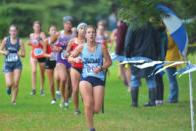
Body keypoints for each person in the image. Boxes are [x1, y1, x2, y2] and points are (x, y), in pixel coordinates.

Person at [69, 26, 112, 131]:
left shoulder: (102, 47)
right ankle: (91, 128)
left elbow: (109, 62)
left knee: (96, 109)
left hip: (99, 79)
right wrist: (75, 60)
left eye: (93, 32)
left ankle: (88, 110)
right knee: (88, 104)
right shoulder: (81, 47)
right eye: (89, 32)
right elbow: (70, 57)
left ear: (95, 34)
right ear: (85, 35)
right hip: (85, 78)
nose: (91, 34)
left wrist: (101, 67)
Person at [125, 22, 161, 107]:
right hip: (150, 55)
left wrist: (127, 56)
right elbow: (158, 42)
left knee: (135, 79)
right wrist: (157, 55)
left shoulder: (133, 26)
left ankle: (134, 103)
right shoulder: (152, 26)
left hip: (136, 56)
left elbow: (128, 43)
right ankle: (152, 102)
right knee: (151, 79)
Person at [52, 16, 75, 108]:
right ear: (63, 24)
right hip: (61, 59)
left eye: (70, 24)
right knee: (63, 79)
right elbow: (51, 43)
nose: (68, 25)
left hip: (71, 59)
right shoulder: (59, 34)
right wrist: (55, 48)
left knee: (70, 83)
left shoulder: (74, 34)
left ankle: (67, 98)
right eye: (66, 24)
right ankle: (62, 98)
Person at [0, 25, 25, 105]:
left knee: (16, 82)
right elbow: (0, 50)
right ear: (9, 32)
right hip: (7, 64)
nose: (13, 32)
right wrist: (4, 52)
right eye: (12, 31)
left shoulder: (20, 41)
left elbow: (24, 54)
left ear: (16, 32)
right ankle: (8, 87)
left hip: (17, 64)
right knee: (9, 83)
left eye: (14, 31)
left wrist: (19, 54)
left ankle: (13, 100)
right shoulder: (5, 40)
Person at [67, 23, 87, 115]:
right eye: (81, 28)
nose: (83, 30)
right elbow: (66, 53)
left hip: (86, 68)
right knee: (75, 89)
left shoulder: (88, 42)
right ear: (78, 30)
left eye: (85, 28)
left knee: (85, 90)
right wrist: (72, 55)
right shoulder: (72, 41)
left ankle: (87, 107)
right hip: (75, 67)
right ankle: (76, 109)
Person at [28, 21, 46, 96]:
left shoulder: (42, 34)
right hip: (33, 55)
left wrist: (40, 40)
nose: (37, 28)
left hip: (41, 55)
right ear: (33, 27)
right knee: (34, 71)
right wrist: (30, 42)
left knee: (42, 73)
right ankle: (33, 89)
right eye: (35, 26)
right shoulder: (31, 35)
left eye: (38, 27)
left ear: (40, 27)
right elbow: (30, 43)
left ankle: (42, 89)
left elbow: (45, 44)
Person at [43, 25, 58, 104]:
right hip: (49, 62)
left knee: (58, 77)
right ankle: (53, 98)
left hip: (58, 62)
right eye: (52, 30)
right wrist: (49, 55)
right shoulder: (46, 41)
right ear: (49, 32)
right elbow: (43, 53)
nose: (54, 31)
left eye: (55, 30)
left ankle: (58, 90)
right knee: (51, 83)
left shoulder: (59, 40)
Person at [165, 33, 181, 103]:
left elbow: (168, 45)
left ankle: (173, 97)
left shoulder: (170, 34)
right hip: (172, 58)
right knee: (172, 80)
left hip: (170, 59)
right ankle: (173, 97)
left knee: (172, 80)